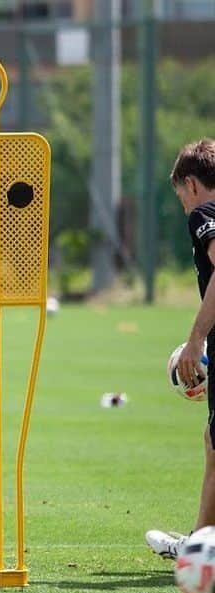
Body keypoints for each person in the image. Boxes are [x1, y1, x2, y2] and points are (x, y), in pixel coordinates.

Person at [146, 138, 215, 559]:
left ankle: (199, 550)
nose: (183, 207)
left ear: (191, 184)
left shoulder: (205, 213)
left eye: (179, 197)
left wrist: (196, 341)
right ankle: (200, 542)